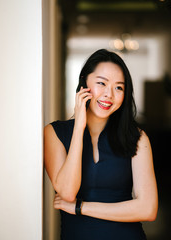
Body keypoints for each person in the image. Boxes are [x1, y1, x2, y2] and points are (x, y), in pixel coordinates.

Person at [44, 49, 158, 240]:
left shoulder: (137, 138)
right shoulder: (55, 133)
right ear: (84, 83)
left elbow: (148, 209)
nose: (109, 95)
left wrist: (81, 207)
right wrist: (79, 127)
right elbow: (67, 192)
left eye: (118, 87)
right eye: (101, 83)